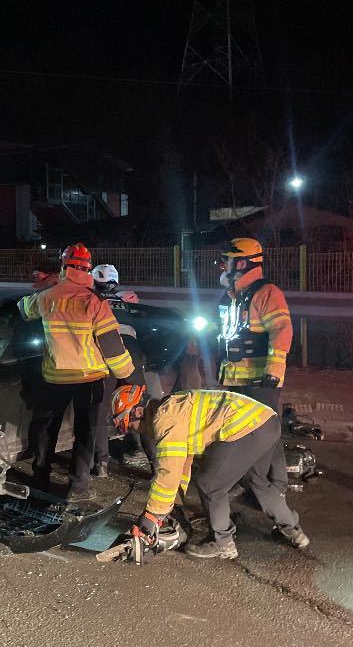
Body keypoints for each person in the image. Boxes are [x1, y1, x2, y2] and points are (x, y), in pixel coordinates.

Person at [112, 384, 310, 558]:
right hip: (266, 421)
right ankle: (294, 532)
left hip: (245, 427)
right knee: (257, 481)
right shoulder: (173, 406)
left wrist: (152, 517)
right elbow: (182, 464)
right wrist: (176, 503)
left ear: (138, 412)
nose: (133, 431)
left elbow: (168, 472)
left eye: (128, 425)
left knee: (211, 485)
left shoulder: (165, 419)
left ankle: (223, 543)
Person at [18, 242, 135, 497]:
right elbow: (112, 345)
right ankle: (78, 487)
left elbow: (24, 309)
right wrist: (126, 376)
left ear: (63, 266)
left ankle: (40, 479)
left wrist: (43, 289)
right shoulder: (95, 302)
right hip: (89, 379)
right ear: (88, 269)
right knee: (85, 433)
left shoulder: (48, 296)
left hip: (55, 377)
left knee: (47, 430)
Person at [216, 238, 292, 413]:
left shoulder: (268, 293)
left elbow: (281, 330)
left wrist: (273, 372)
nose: (222, 266)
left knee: (261, 431)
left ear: (241, 263)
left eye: (226, 260)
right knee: (238, 431)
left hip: (260, 381)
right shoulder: (234, 295)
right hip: (236, 380)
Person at [90, 262, 149, 474]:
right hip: (132, 359)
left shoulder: (93, 302)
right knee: (139, 407)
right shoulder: (123, 303)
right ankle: (143, 453)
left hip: (106, 358)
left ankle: (101, 463)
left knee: (99, 410)